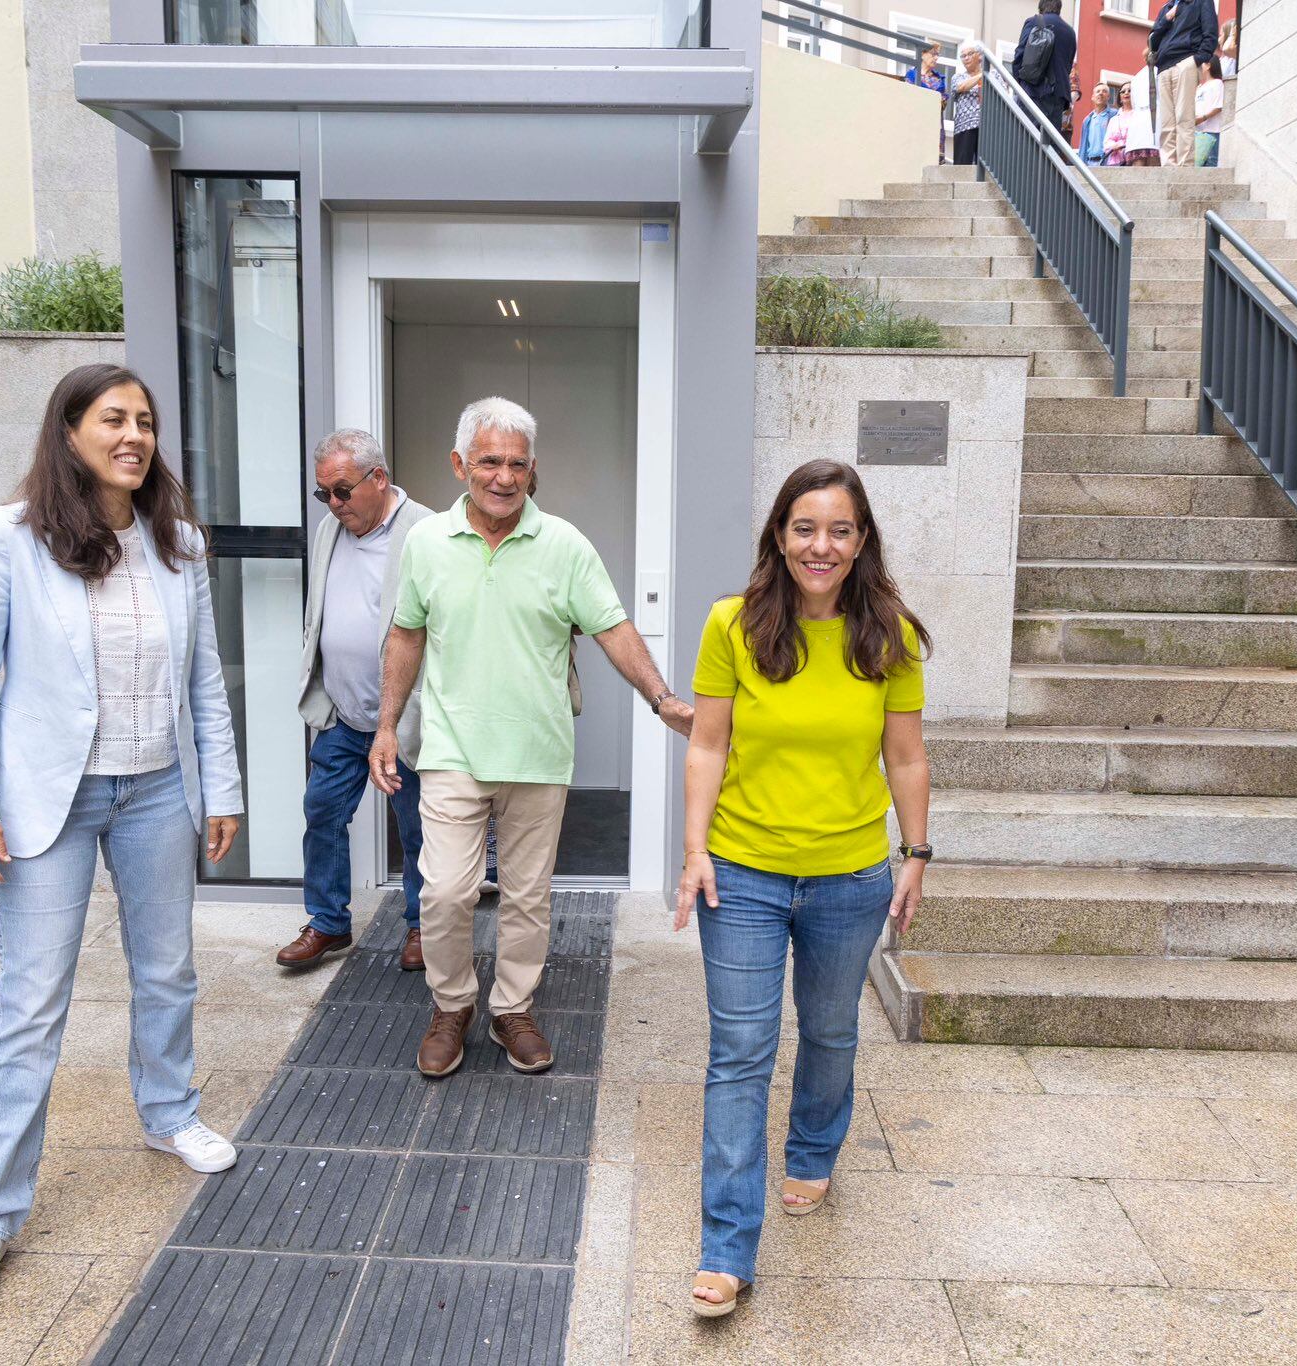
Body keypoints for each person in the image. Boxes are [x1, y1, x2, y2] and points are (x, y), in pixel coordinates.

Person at [0, 364, 244, 1302]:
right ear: (69, 431)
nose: (134, 436)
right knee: (30, 1007)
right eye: (113, 419)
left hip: (153, 790)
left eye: (145, 422)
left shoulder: (176, 542)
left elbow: (204, 685)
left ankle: (169, 1112)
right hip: (49, 801)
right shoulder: (9, 539)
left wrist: (219, 788)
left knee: (168, 969)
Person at [371, 396, 694, 1078]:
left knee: (526, 896)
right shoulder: (427, 544)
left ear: (532, 470)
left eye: (518, 463)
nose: (504, 476)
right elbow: (406, 634)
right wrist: (386, 726)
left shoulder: (566, 545)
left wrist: (661, 697)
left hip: (539, 755)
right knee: (446, 892)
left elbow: (612, 627)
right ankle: (452, 1004)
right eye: (489, 460)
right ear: (460, 465)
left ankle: (511, 1007)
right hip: (453, 752)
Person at [680, 460, 932, 1319]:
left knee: (829, 1033)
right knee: (740, 1054)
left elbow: (905, 756)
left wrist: (918, 853)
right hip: (743, 872)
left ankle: (815, 1149)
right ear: (779, 536)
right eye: (804, 528)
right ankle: (725, 1249)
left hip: (850, 876)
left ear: (861, 541)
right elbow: (707, 744)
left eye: (839, 530)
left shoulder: (888, 635)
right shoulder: (732, 625)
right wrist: (694, 850)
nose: (820, 546)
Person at [283, 429, 435, 971]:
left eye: (342, 491)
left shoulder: (427, 531)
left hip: (408, 720)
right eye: (323, 493)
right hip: (344, 716)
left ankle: (423, 926)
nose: (333, 504)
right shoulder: (331, 528)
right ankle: (328, 923)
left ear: (379, 479)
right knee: (321, 811)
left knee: (418, 825)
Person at [1148, 0, 1219, 167]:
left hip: (1185, 62)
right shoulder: (1166, 7)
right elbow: (1152, 40)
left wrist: (1196, 59)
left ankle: (1184, 167)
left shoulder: (1201, 2)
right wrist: (1166, 18)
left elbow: (1211, 34)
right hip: (1164, 66)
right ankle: (1169, 166)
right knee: (1166, 124)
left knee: (1184, 118)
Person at [1012, 0, 1078, 140]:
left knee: (1027, 139)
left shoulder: (1033, 22)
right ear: (1059, 8)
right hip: (1059, 97)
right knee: (1049, 144)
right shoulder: (1070, 32)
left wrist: (1019, 84)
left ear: (1041, 8)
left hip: (1034, 91)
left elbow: (1019, 55)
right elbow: (1068, 65)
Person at [903, 42, 948, 163]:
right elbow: (908, 98)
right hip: (916, 120)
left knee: (933, 161)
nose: (936, 58)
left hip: (934, 123)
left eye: (938, 55)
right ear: (923, 54)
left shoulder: (940, 79)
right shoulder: (912, 75)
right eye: (933, 54)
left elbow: (943, 101)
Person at [949, 41, 984, 167]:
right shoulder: (958, 77)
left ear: (980, 56)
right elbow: (962, 86)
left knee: (985, 168)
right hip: (964, 127)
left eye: (970, 54)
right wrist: (983, 75)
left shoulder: (994, 76)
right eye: (963, 56)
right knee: (962, 167)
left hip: (987, 126)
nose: (966, 58)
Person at [1194, 56, 1225, 167]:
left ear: (1208, 65)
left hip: (1212, 132)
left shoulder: (1217, 83)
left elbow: (1218, 107)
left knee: (1210, 164)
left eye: (1202, 64)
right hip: (1198, 132)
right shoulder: (1200, 87)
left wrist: (1202, 118)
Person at [1077, 84, 1116, 165]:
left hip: (1108, 162)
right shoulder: (1087, 120)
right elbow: (1083, 145)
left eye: (1104, 91)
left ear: (1108, 97)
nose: (1101, 93)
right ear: (1093, 97)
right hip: (1089, 163)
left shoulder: (1114, 115)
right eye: (1098, 91)